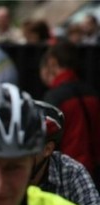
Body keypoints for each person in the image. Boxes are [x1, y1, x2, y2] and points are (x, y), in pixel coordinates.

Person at [31, 100, 100, 205]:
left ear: (48, 149)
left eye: (28, 146)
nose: (19, 155)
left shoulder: (72, 172)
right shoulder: (3, 174)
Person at [40, 42, 100, 185]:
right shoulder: (92, 93)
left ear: (52, 63)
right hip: (95, 171)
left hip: (68, 173)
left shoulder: (54, 97)